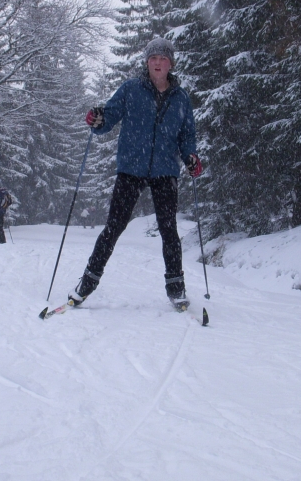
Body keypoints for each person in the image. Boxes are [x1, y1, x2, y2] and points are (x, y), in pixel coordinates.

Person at [70, 37, 203, 311]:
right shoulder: (131, 89)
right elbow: (108, 117)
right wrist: (97, 118)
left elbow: (187, 135)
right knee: (114, 227)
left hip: (165, 171)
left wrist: (190, 157)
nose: (158, 63)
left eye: (163, 58)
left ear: (171, 64)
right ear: (147, 62)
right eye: (153, 58)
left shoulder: (180, 98)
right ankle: (86, 283)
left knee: (169, 230)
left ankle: (176, 290)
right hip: (131, 169)